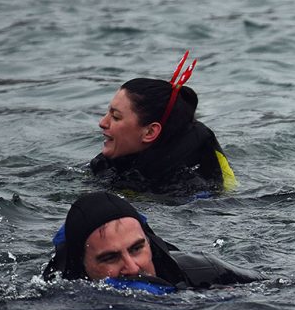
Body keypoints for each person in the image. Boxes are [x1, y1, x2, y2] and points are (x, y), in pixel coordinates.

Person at [42, 191, 261, 290]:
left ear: (149, 243)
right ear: (81, 265)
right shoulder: (59, 293)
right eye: (110, 257)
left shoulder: (207, 272)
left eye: (137, 248)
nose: (132, 267)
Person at [89, 51, 236, 196]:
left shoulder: (184, 188)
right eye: (108, 112)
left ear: (150, 132)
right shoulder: (111, 165)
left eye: (115, 117)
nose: (102, 122)